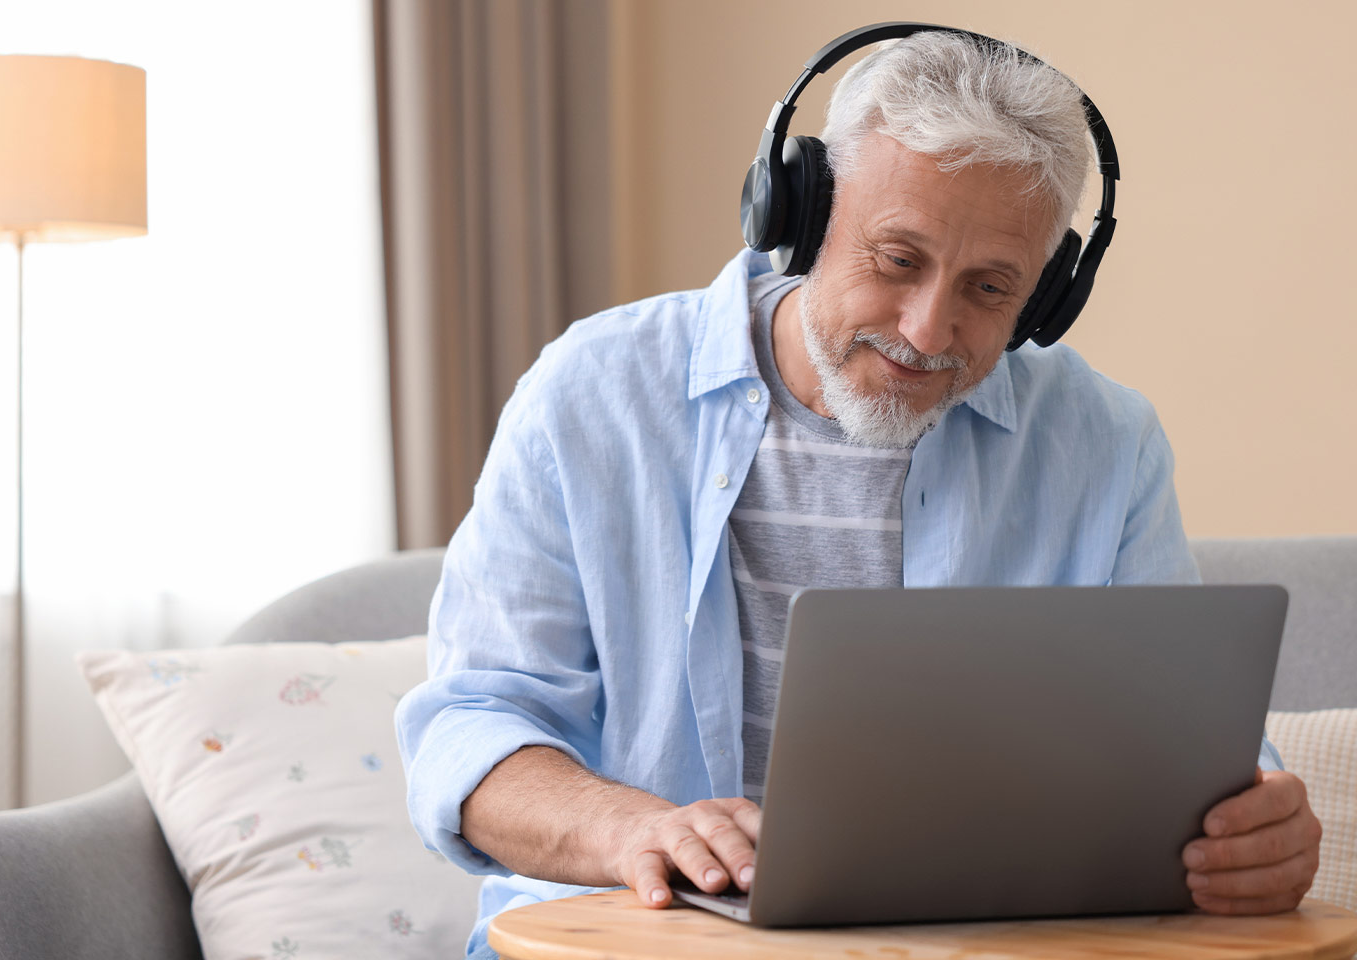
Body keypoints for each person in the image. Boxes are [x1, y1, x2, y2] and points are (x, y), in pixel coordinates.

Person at [396, 27, 1322, 957]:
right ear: (801, 214)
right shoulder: (591, 394)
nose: (929, 329)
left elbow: (1180, 740)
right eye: (898, 259)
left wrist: (1254, 823)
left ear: (1046, 298)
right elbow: (469, 730)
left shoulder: (1105, 442)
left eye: (991, 287)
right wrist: (627, 828)